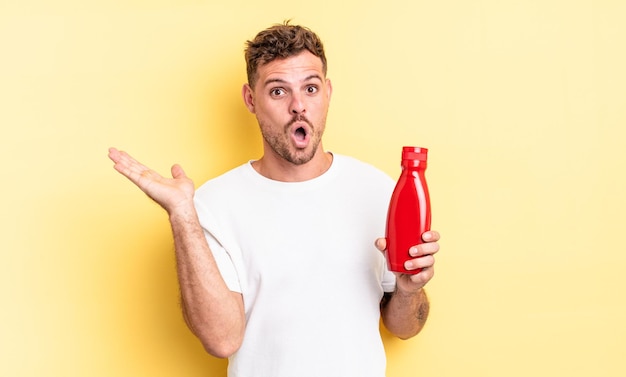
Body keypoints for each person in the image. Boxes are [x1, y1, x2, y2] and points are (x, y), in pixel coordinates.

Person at [108, 21, 440, 377]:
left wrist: (408, 290)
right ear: (251, 100)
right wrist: (182, 215)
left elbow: (405, 327)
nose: (299, 106)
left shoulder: (379, 190)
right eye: (278, 92)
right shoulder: (214, 205)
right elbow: (222, 340)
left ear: (327, 93)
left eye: (310, 88)